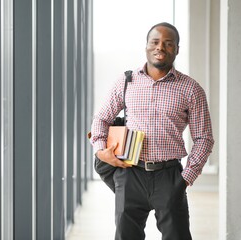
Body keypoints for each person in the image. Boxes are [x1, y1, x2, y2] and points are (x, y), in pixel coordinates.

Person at [90, 22, 214, 240]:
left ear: (177, 48)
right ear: (146, 46)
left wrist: (186, 178)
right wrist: (101, 151)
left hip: (170, 176)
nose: (160, 48)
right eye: (155, 42)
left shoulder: (191, 89)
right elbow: (101, 118)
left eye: (168, 43)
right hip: (130, 173)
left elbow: (204, 138)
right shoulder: (126, 82)